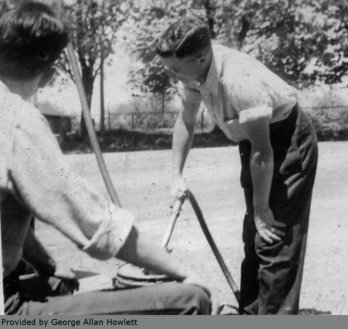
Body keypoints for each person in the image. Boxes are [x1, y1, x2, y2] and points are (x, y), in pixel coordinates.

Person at [0, 2, 215, 315]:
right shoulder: (17, 120)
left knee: (63, 284)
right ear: (50, 71)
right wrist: (184, 272)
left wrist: (48, 264)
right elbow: (96, 226)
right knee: (192, 300)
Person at [156, 17, 318, 315]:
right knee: (254, 236)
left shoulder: (238, 80)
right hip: (254, 144)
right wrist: (176, 175)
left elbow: (263, 153)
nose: (171, 73)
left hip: (284, 142)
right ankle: (250, 313)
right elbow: (186, 121)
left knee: (272, 234)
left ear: (201, 58)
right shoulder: (194, 73)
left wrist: (261, 209)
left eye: (175, 68)